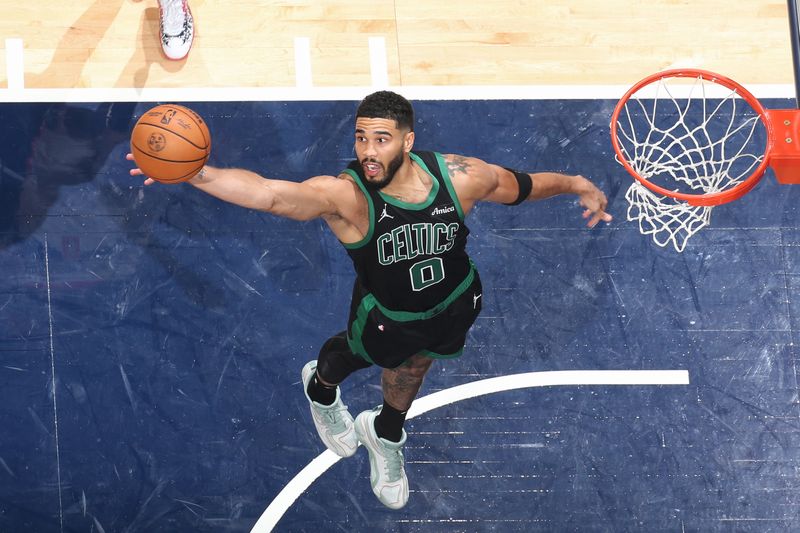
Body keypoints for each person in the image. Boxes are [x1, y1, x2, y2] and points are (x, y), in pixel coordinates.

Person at [127, 91, 613, 509]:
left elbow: (523, 186)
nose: (367, 151)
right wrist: (196, 174)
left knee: (416, 367)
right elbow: (271, 195)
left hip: (456, 301)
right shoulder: (347, 197)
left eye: (380, 139)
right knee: (353, 355)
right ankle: (319, 390)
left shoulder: (462, 177)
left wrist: (577, 184)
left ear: (408, 140)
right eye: (360, 138)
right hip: (387, 316)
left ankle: (385, 431)